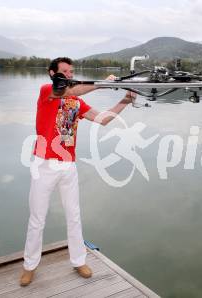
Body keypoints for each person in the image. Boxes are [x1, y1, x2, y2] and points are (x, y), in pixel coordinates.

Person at [20, 57, 136, 286]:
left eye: (71, 72)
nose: (69, 75)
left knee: (74, 215)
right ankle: (29, 266)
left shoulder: (76, 101)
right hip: (44, 164)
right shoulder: (47, 92)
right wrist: (102, 83)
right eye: (64, 72)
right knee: (37, 219)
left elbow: (103, 119)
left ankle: (78, 260)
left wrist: (126, 100)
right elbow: (71, 90)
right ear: (52, 74)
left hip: (68, 165)